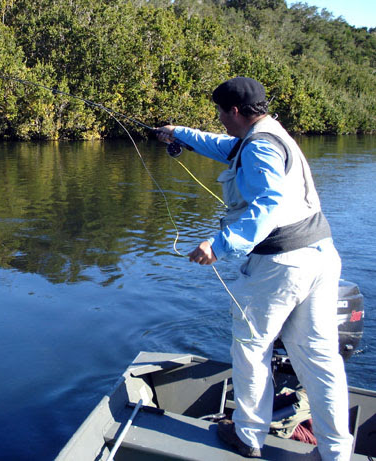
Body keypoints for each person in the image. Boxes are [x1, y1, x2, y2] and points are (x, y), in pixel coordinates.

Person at [155, 77, 353, 460]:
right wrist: (178, 133)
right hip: (320, 257)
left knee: (251, 347)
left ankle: (248, 436)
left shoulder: (260, 147)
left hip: (280, 264)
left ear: (233, 110)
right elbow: (225, 147)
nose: (220, 120)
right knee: (319, 359)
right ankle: (337, 453)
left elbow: (270, 205)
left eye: (220, 113)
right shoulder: (268, 134)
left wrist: (218, 244)